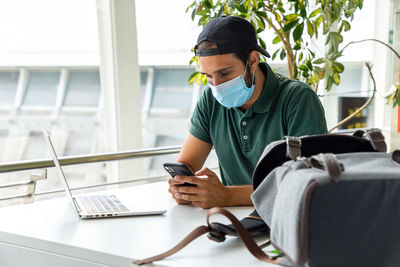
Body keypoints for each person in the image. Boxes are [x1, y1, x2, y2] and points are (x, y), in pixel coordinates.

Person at [168, 15, 327, 208]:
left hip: (287, 217)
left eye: (224, 73)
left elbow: (308, 181)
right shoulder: (210, 100)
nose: (217, 85)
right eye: (208, 76)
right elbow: (188, 163)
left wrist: (226, 196)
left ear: (252, 60)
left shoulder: (298, 99)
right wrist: (184, 187)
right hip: (231, 219)